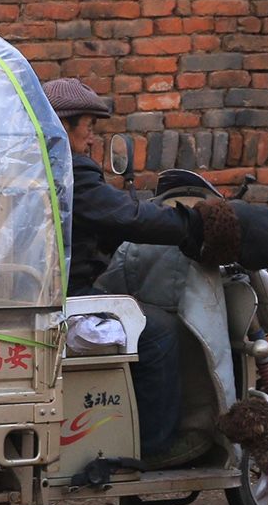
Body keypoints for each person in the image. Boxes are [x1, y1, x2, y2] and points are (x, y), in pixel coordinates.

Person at [41, 77, 205, 454]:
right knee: (160, 330)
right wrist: (194, 223)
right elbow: (126, 216)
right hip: (65, 294)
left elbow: (106, 218)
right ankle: (153, 449)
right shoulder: (69, 172)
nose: (93, 139)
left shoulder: (35, 165)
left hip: (49, 288)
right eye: (89, 127)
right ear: (63, 126)